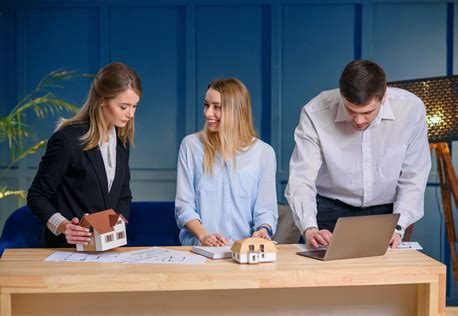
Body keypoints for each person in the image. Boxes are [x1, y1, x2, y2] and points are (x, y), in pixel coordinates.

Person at [285, 60, 431, 249]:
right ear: (341, 95)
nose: (359, 120)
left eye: (368, 112)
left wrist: (399, 227)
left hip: (388, 212)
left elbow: (414, 176)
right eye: (351, 110)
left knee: (386, 277)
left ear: (384, 96)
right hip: (329, 210)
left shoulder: (411, 110)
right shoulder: (315, 112)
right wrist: (310, 228)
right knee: (331, 277)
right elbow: (301, 178)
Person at [27, 62, 142, 247]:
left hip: (107, 251)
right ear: (102, 100)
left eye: (135, 106)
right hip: (66, 250)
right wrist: (64, 226)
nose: (131, 114)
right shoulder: (66, 140)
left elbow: (123, 194)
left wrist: (117, 224)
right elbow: (36, 195)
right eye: (124, 107)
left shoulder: (122, 142)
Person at [175, 78, 278, 246]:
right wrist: (204, 236)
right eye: (206, 105)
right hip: (200, 251)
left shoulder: (264, 153)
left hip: (244, 252)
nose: (207, 113)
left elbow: (266, 209)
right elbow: (184, 206)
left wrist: (263, 229)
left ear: (236, 111)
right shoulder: (191, 146)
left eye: (217, 107)